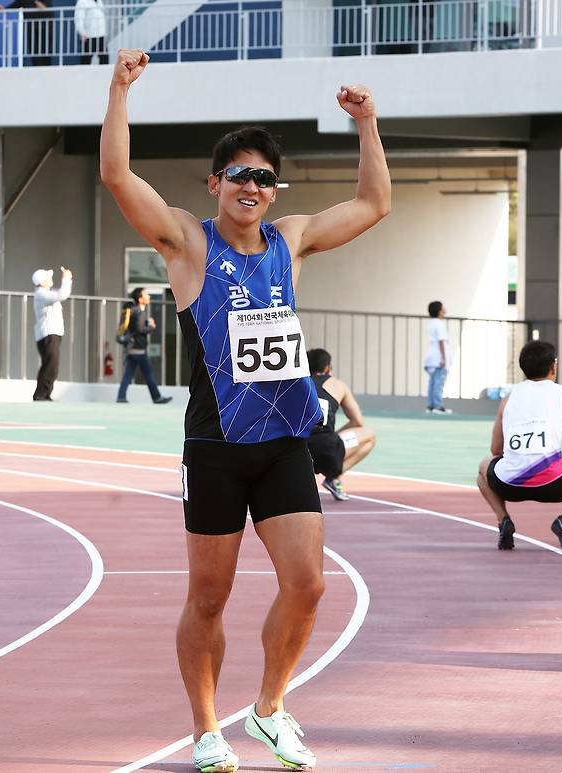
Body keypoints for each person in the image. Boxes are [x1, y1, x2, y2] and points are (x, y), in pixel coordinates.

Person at [100, 48, 391, 772]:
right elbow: (114, 175)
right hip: (218, 445)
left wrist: (368, 125)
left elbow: (373, 204)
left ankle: (268, 707)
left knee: (310, 583)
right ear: (216, 183)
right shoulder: (187, 242)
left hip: (288, 436)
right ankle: (206, 729)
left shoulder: (289, 240)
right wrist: (119, 90)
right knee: (208, 595)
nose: (254, 186)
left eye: (265, 176)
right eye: (241, 175)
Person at [477, 340, 562, 553]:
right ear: (553, 367)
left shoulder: (508, 399)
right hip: (555, 484)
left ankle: (503, 520)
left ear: (523, 369)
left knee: (483, 468)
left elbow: (496, 450)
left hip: (508, 484)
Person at [307, 348, 376, 501]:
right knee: (369, 435)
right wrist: (335, 435)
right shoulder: (337, 384)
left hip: (297, 450)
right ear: (328, 368)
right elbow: (357, 421)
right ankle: (334, 477)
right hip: (327, 449)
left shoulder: (297, 383)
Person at [116, 287, 172, 404]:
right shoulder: (138, 312)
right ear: (140, 299)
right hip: (138, 349)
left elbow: (136, 327)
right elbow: (139, 329)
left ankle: (121, 396)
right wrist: (151, 326)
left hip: (133, 348)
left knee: (129, 374)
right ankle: (157, 397)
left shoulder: (135, 310)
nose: (149, 296)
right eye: (146, 295)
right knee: (149, 374)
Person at [32, 266, 72, 401]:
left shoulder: (44, 293)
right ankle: (41, 394)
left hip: (51, 333)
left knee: (50, 365)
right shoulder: (42, 294)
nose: (50, 279)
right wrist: (66, 279)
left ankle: (45, 394)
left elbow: (60, 294)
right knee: (51, 365)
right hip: (48, 333)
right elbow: (62, 294)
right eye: (48, 278)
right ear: (42, 282)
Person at [0, 0, 54, 66]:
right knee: (34, 50)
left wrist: (41, 6)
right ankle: (36, 71)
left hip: (45, 27)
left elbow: (48, 10)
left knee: (46, 50)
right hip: (31, 28)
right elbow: (15, 5)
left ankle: (46, 70)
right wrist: (4, 9)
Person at [424, 299, 452, 414]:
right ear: (439, 311)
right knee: (438, 382)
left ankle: (431, 406)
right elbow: (441, 342)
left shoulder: (431, 323)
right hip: (438, 357)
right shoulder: (439, 324)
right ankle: (437, 405)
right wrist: (444, 359)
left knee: (432, 382)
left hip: (432, 356)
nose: (445, 310)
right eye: (443, 308)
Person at [74, 0, 107, 65]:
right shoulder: (82, 2)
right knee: (86, 59)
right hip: (90, 35)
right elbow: (79, 18)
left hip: (101, 34)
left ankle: (103, 74)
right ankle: (81, 74)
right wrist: (82, 32)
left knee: (104, 58)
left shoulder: (99, 1)